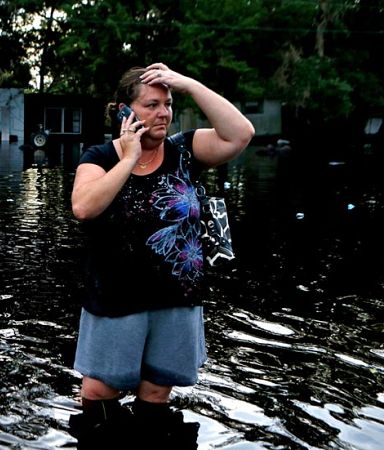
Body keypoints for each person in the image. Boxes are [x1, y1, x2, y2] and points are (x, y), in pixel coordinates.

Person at [68, 62, 255, 447]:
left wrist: (187, 84)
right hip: (116, 300)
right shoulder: (99, 157)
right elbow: (84, 208)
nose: (163, 113)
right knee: (100, 396)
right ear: (124, 111)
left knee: (155, 396)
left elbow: (240, 135)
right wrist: (128, 159)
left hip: (175, 299)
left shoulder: (184, 150)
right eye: (152, 104)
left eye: (167, 104)